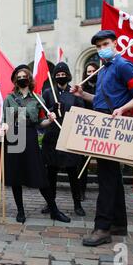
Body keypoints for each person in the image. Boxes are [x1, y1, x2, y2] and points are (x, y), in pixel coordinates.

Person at [71, 30, 133, 246]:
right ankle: (119, 224)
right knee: (112, 175)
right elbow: (101, 99)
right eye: (98, 46)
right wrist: (82, 95)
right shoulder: (104, 69)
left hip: (114, 123)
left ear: (114, 43)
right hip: (103, 120)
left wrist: (122, 109)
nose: (102, 48)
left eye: (105, 44)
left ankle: (102, 227)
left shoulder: (123, 65)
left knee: (106, 177)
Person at [0, 65, 60, 224]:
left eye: (24, 76)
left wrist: (51, 119)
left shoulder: (37, 98)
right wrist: (3, 127)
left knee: (39, 173)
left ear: (29, 78)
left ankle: (54, 209)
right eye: (18, 77)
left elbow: (41, 122)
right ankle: (20, 210)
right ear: (15, 80)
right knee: (15, 175)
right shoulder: (9, 98)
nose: (21, 79)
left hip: (30, 134)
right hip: (13, 135)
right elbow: (4, 121)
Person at [41, 62, 86, 220]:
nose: (61, 77)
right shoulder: (48, 92)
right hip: (52, 137)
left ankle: (77, 203)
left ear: (68, 75)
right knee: (51, 173)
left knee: (73, 173)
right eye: (58, 75)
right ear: (54, 77)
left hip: (69, 136)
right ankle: (50, 202)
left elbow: (81, 113)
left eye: (63, 74)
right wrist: (52, 113)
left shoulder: (74, 93)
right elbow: (43, 113)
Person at [78, 61, 99, 201]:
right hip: (86, 126)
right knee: (82, 161)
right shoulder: (82, 88)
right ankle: (81, 190)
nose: (90, 74)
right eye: (88, 72)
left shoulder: (103, 86)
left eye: (93, 71)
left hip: (101, 126)